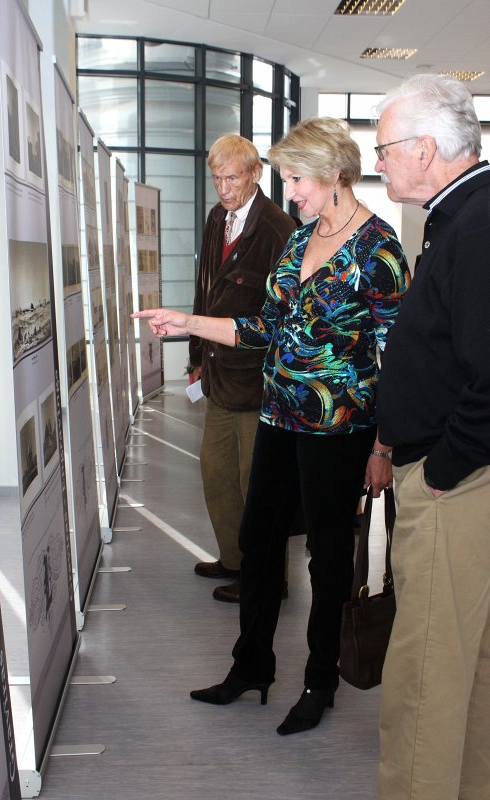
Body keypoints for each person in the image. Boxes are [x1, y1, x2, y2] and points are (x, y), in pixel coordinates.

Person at [133, 117, 410, 735]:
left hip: (341, 431)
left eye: (296, 180)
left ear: (335, 174)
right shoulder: (298, 242)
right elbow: (263, 329)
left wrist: (386, 444)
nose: (290, 194)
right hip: (279, 414)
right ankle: (251, 666)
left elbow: (400, 358)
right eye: (286, 180)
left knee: (327, 557)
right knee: (258, 544)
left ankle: (319, 682)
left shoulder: (380, 251)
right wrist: (189, 324)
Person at [374, 74, 490, 800]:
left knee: (424, 681)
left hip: (457, 485)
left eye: (383, 149)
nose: (376, 162)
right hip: (455, 477)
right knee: (466, 672)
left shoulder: (474, 227)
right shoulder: (459, 217)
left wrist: (441, 470)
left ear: (424, 149)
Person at [190, 134, 297, 603]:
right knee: (216, 472)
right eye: (216, 178)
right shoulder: (217, 218)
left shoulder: (278, 228)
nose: (223, 188)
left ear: (255, 173)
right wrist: (196, 356)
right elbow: (205, 290)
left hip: (258, 381)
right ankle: (234, 559)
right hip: (218, 373)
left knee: (255, 483)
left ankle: (265, 577)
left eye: (232, 177)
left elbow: (284, 314)